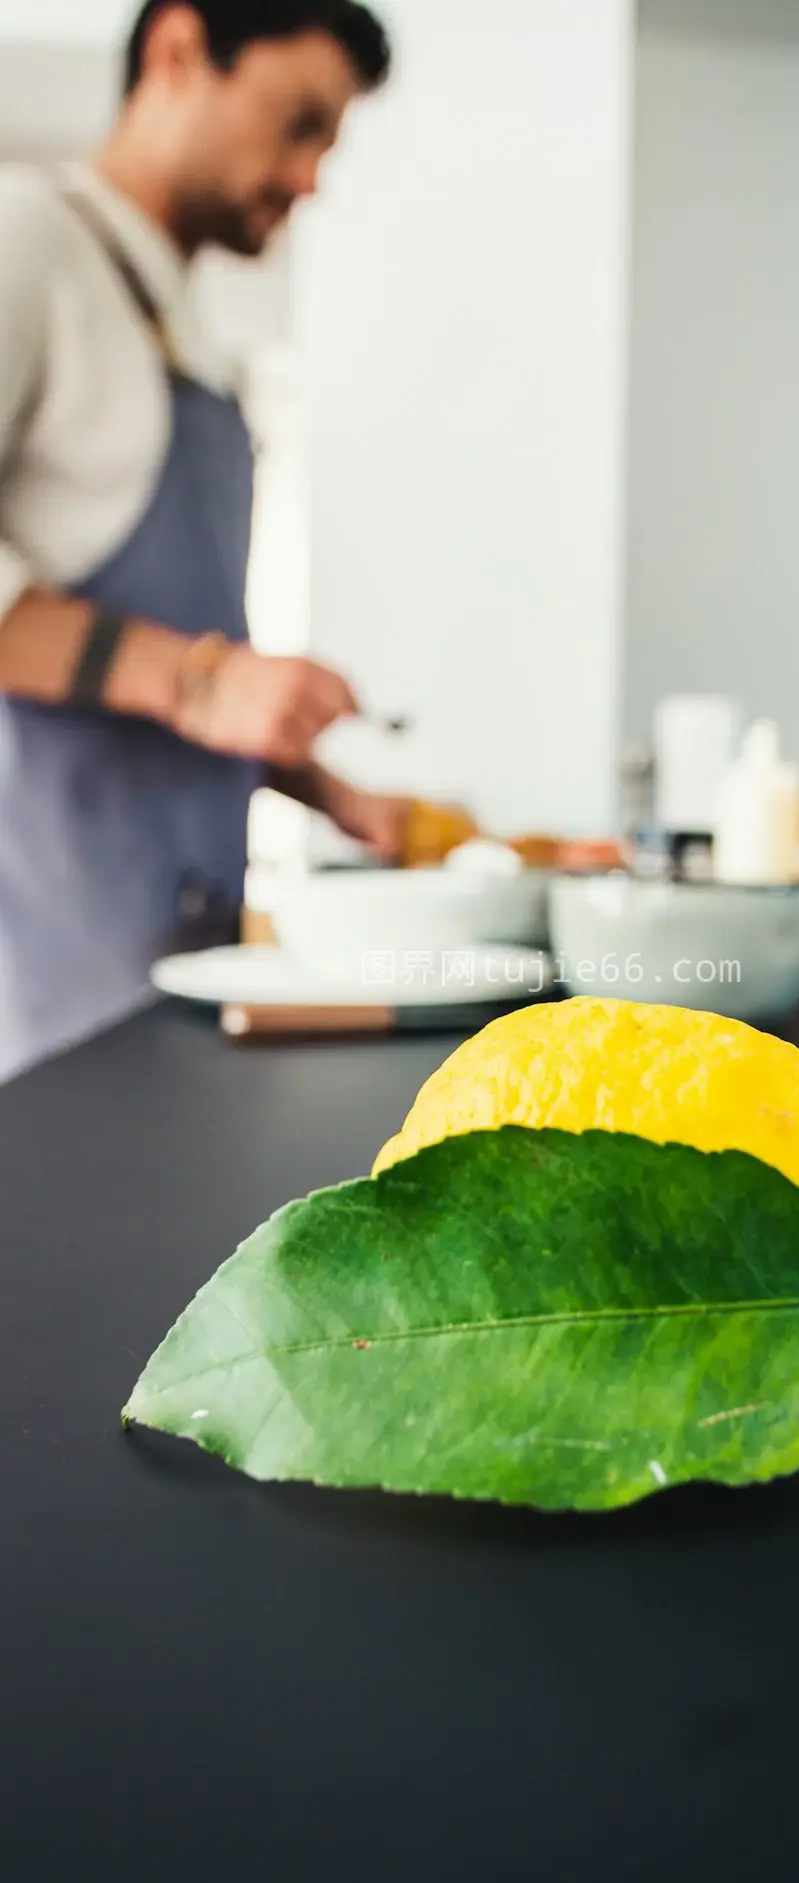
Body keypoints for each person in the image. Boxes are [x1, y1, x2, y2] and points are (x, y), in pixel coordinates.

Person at [0, 0, 406, 1084]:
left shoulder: (195, 337)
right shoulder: (25, 242)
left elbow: (184, 662)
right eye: (298, 123)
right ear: (179, 52)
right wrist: (199, 681)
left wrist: (326, 790)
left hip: (179, 968)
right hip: (42, 1006)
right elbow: (185, 675)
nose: (312, 175)